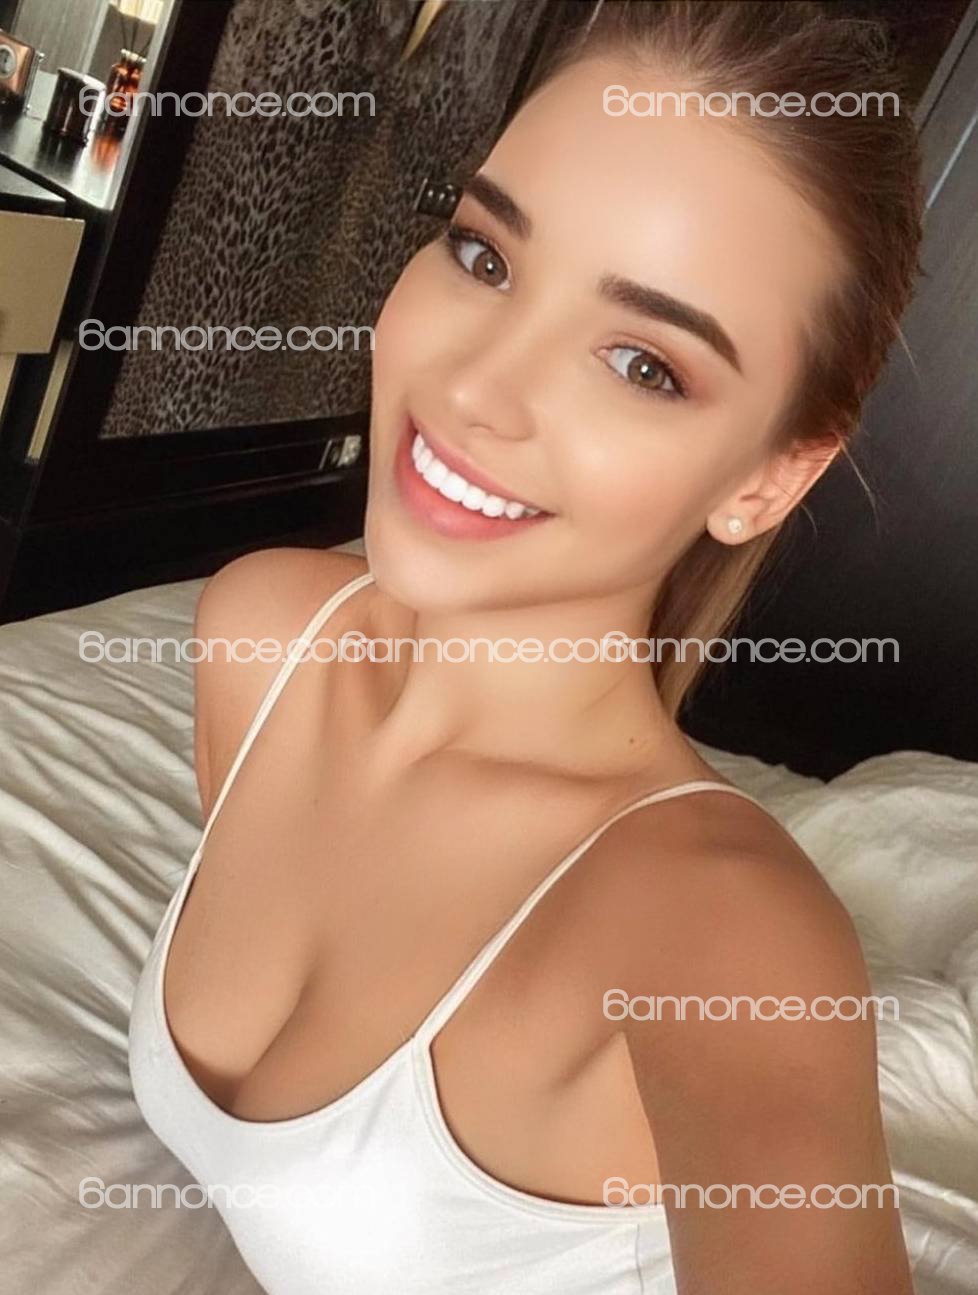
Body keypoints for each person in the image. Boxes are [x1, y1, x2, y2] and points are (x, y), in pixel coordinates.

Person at [129, 2, 923, 1290]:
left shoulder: (722, 930)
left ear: (769, 479)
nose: (475, 388)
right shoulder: (263, 632)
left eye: (643, 363)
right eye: (484, 255)